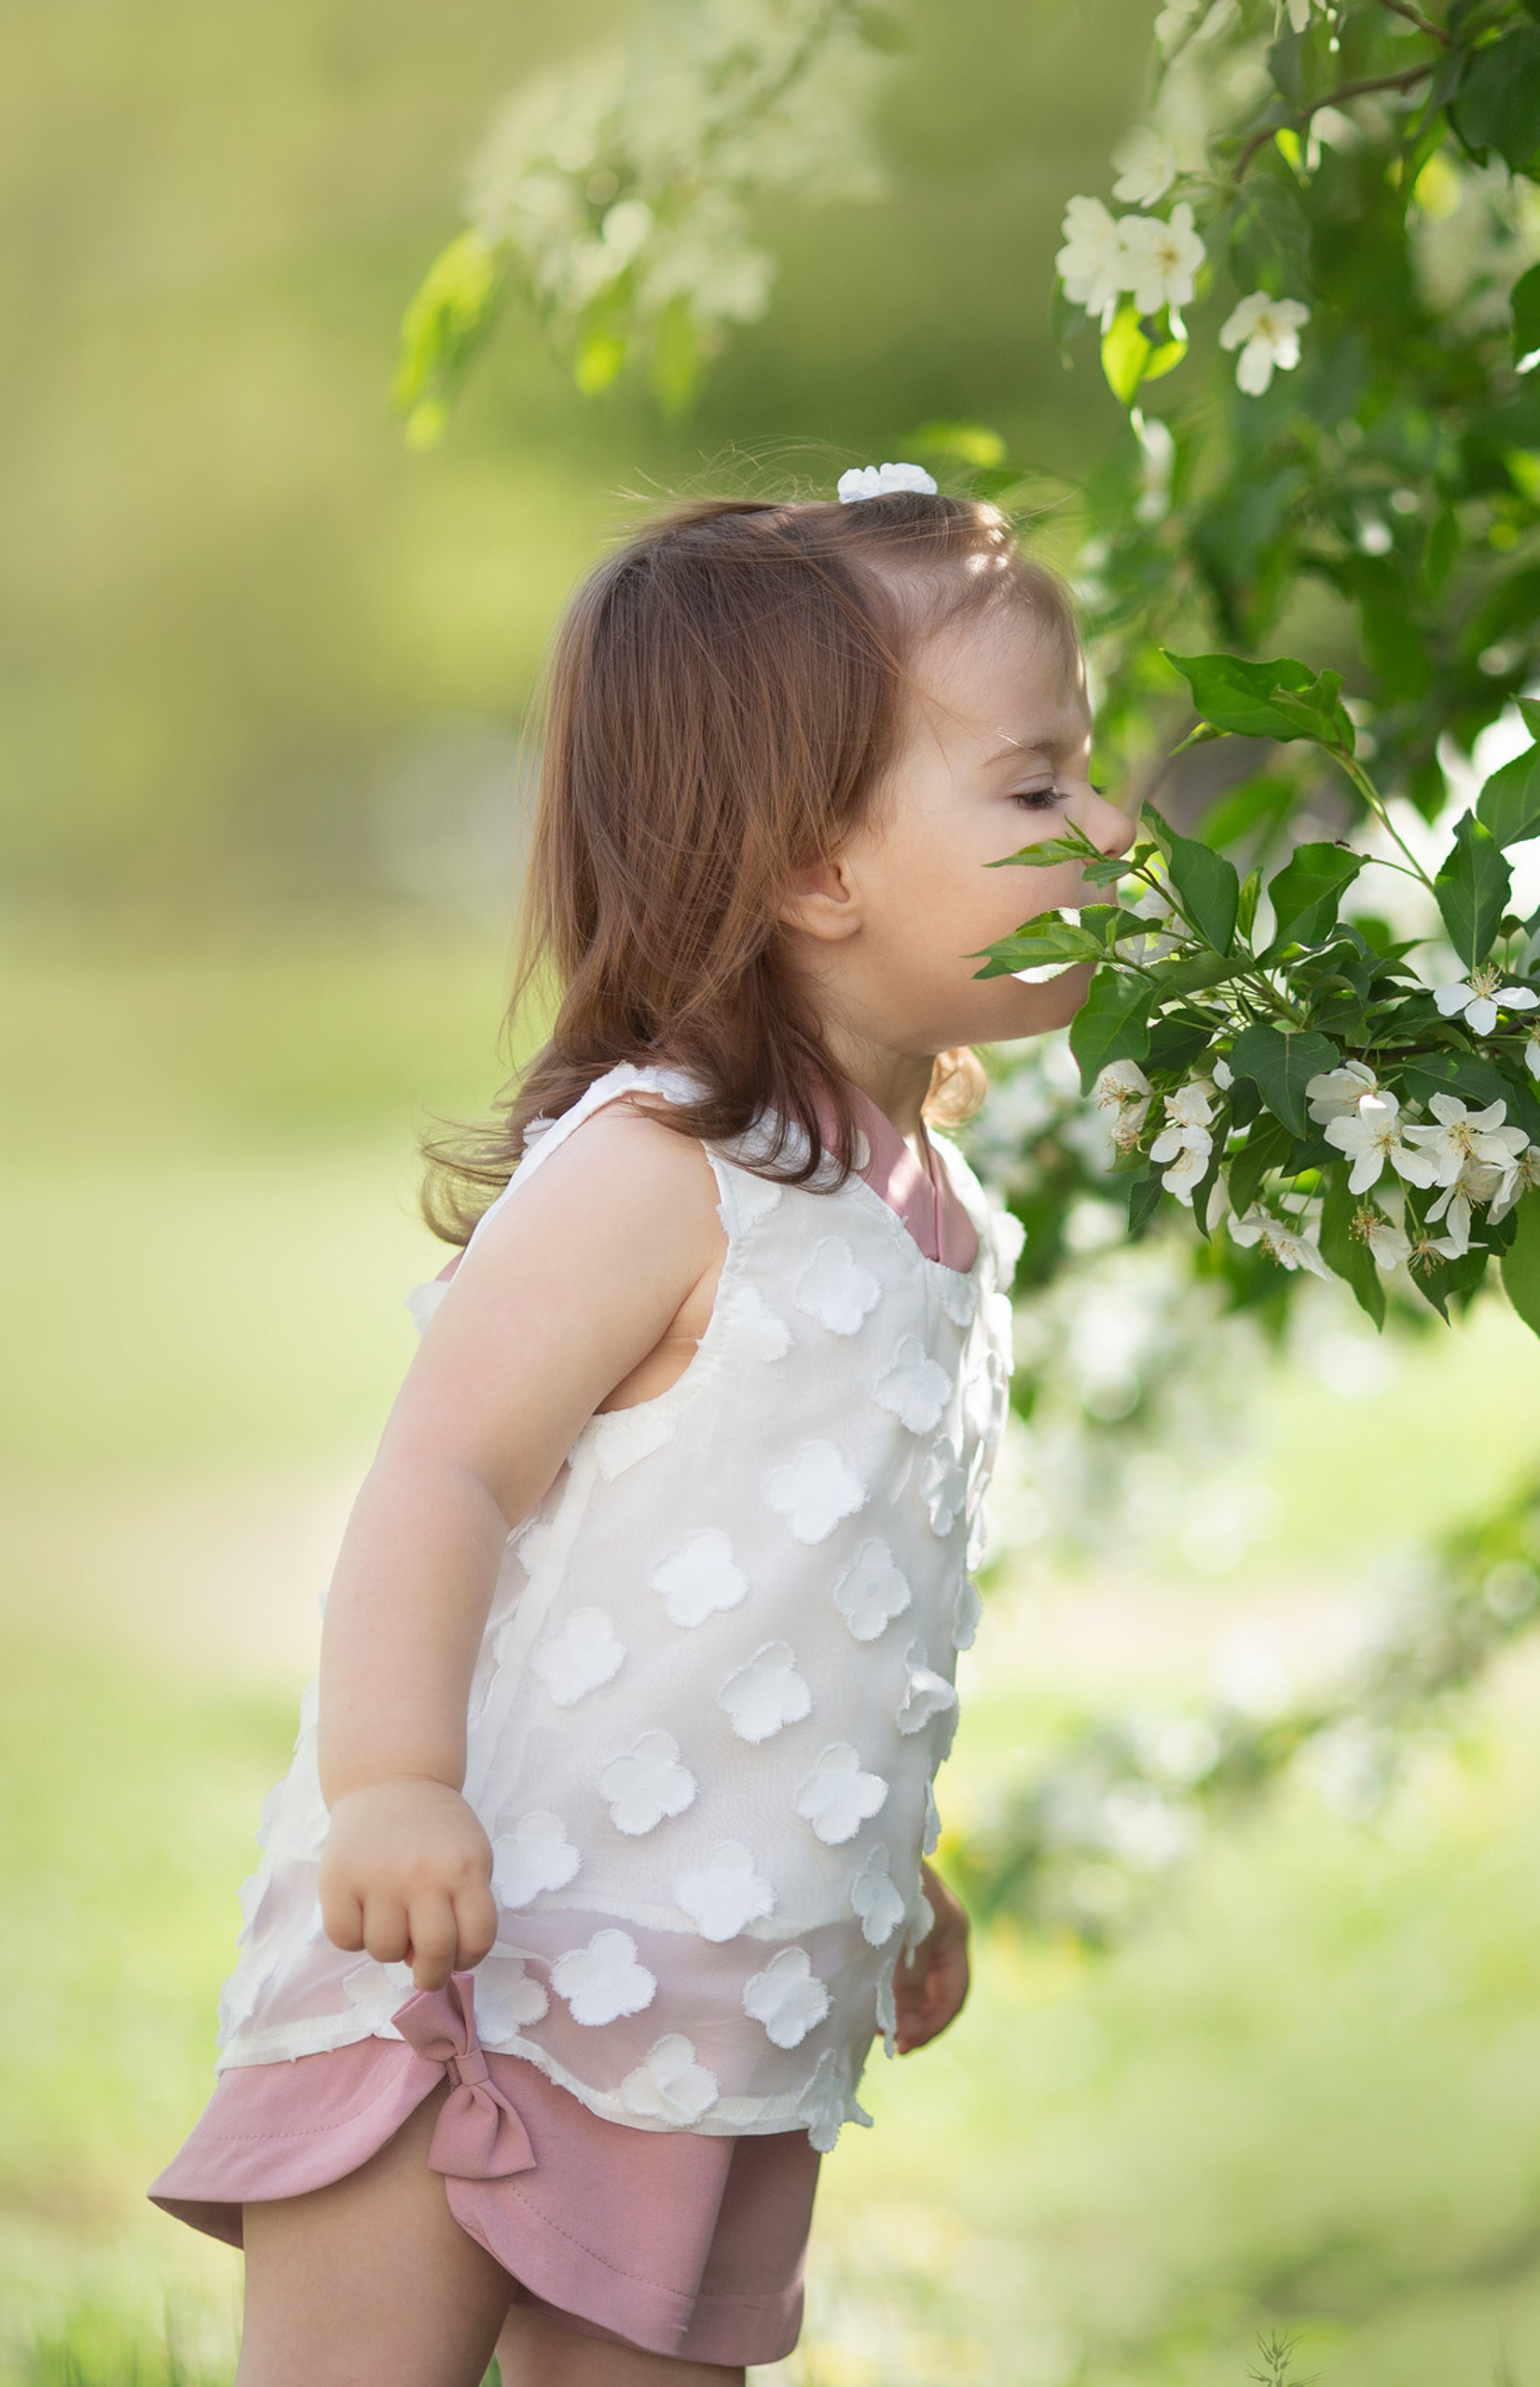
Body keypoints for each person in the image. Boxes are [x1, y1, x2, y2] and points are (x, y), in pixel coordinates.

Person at [149, 473, 1130, 2385]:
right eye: (1035, 788)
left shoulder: (932, 1205)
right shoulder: (665, 1164)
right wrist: (393, 1786)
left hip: (728, 1982)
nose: (1105, 828)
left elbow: (821, 1601)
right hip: (475, 1945)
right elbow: (444, 1472)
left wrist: (870, 1856)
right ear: (814, 868)